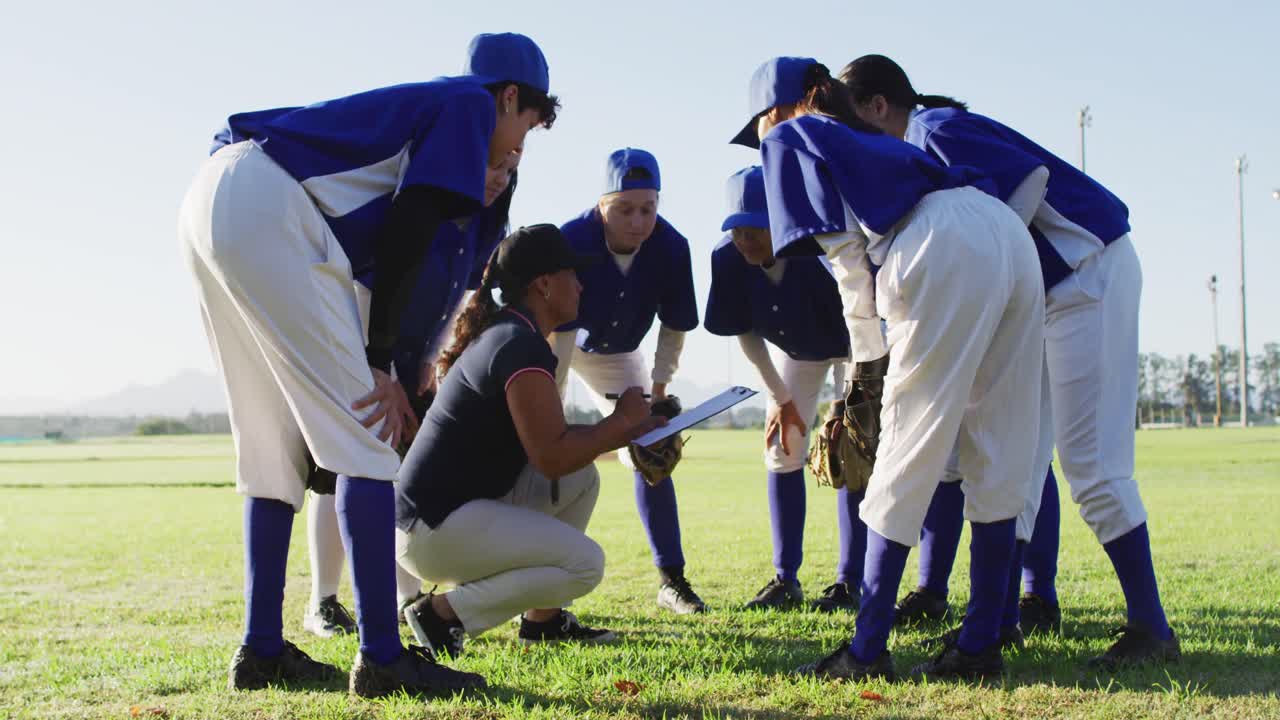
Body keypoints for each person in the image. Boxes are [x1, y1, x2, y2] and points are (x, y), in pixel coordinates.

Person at [178, 32, 557, 697]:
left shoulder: (445, 135)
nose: (516, 150)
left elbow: (420, 272)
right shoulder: (468, 107)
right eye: (524, 126)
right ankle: (382, 656)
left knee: (273, 453)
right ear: (507, 98)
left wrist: (399, 366)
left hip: (215, 197)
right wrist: (380, 363)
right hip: (269, 203)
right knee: (367, 437)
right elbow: (413, 226)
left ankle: (261, 648)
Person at [839, 54, 1179, 669]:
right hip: (1047, 292)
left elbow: (1028, 183)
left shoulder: (929, 128)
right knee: (1016, 459)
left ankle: (1151, 627)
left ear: (879, 105)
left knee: (1092, 467)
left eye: (855, 117)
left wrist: (988, 284)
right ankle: (994, 623)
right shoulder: (920, 136)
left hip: (1087, 272)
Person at [732, 57, 1044, 680]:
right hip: (1006, 235)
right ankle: (980, 642)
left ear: (775, 109)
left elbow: (849, 264)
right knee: (998, 442)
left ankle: (867, 649)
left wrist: (866, 374)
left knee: (905, 449)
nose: (760, 136)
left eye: (759, 122)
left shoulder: (791, 136)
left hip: (934, 243)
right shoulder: (873, 135)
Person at [396, 224, 665, 658]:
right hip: (432, 532)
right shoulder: (519, 345)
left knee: (583, 480)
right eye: (572, 274)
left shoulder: (511, 334)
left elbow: (555, 446)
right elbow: (551, 457)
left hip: (438, 519)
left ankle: (544, 622)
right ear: (543, 284)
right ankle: (442, 614)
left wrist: (631, 427)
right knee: (585, 564)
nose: (580, 284)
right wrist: (619, 423)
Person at [302, 151, 522, 638]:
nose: (498, 179)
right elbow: (362, 287)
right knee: (337, 472)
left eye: (510, 169)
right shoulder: (416, 204)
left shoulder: (482, 224)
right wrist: (374, 367)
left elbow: (457, 296)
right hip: (359, 351)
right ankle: (323, 600)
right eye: (490, 164)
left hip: (408, 358)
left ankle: (406, 594)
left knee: (397, 473)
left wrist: (427, 358)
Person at [550, 149, 706, 615]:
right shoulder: (570, 240)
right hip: (556, 342)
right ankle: (534, 584)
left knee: (651, 446)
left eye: (648, 209)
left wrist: (658, 395)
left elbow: (675, 325)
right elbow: (557, 333)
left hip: (616, 354)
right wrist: (550, 409)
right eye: (625, 209)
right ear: (602, 205)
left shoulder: (672, 247)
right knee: (540, 451)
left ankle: (671, 580)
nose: (638, 221)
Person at [703, 166, 865, 612]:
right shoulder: (728, 256)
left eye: (756, 229)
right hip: (797, 350)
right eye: (737, 230)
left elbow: (860, 327)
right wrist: (780, 399)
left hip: (857, 346)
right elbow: (744, 331)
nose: (744, 241)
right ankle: (785, 579)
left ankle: (851, 582)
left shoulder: (820, 253)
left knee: (851, 452)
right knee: (782, 444)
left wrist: (844, 403)